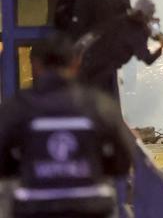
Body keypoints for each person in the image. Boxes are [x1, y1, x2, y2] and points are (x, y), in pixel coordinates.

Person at [0, 33, 135, 218]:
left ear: (35, 65)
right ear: (75, 63)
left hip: (35, 209)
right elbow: (124, 159)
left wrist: (24, 167)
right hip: (91, 209)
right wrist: (95, 167)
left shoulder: (18, 107)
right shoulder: (99, 105)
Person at [78, 0, 163, 100]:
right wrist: (161, 47)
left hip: (89, 57)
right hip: (104, 70)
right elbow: (148, 59)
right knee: (93, 97)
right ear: (148, 14)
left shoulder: (122, 18)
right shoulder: (139, 32)